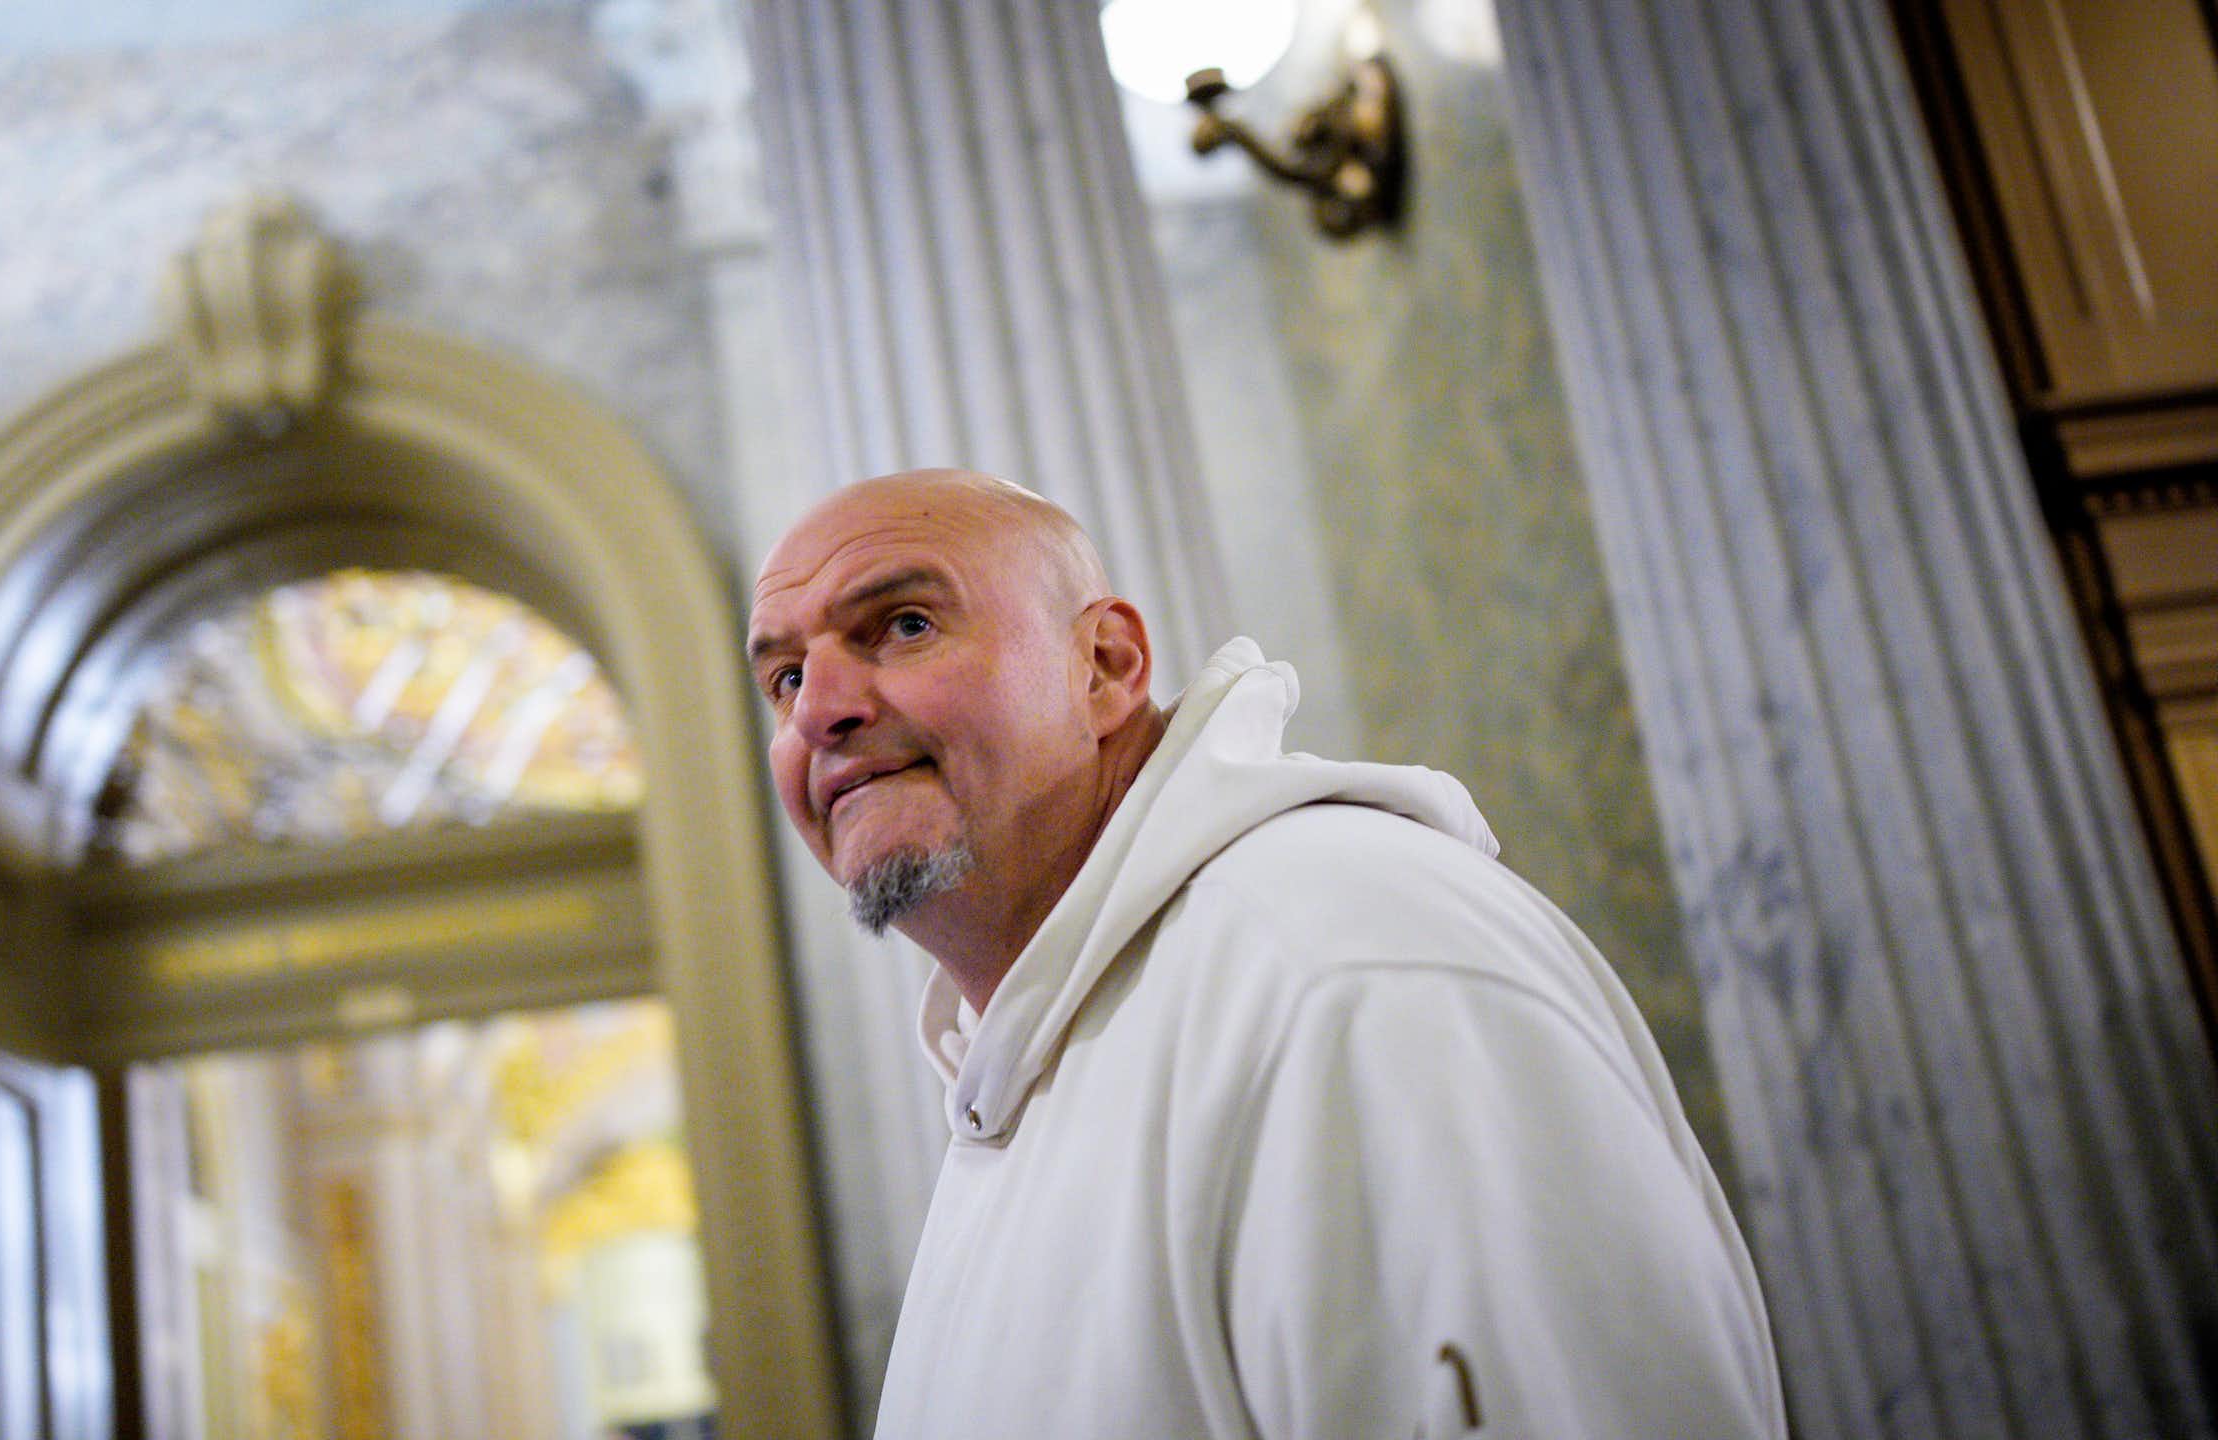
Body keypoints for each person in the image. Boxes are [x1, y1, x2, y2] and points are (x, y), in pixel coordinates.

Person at [745, 469, 1787, 1439]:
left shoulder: (1340, 964)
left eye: (904, 625)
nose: (822, 713)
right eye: (786, 679)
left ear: (1104, 667)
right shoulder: (1045, 1044)